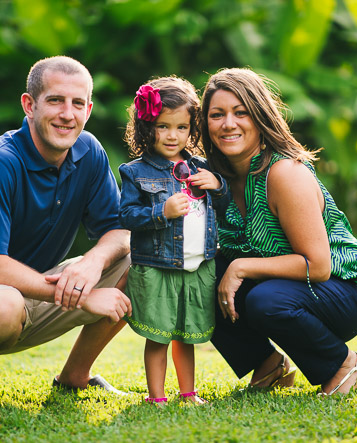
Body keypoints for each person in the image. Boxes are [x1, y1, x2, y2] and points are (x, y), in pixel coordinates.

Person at [0, 56, 133, 406]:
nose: (68, 113)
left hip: (39, 291)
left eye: (77, 103)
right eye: (55, 100)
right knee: (4, 304)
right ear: (29, 104)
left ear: (89, 109)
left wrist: (93, 263)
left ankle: (75, 376)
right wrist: (84, 295)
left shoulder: (90, 152)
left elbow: (120, 232)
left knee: (145, 260)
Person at [200, 68, 357, 396]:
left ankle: (341, 363)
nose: (228, 123)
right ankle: (268, 364)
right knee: (197, 276)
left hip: (342, 291)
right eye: (217, 115)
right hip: (282, 287)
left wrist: (240, 267)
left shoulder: (284, 173)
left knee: (264, 300)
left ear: (260, 117)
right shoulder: (218, 180)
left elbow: (318, 266)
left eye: (240, 112)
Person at [118, 77, 230, 405]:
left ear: (191, 128)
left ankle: (188, 393)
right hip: (157, 267)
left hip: (198, 265)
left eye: (181, 127)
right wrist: (161, 211)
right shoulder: (135, 172)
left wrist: (218, 186)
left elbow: (226, 207)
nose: (172, 135)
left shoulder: (201, 167)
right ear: (146, 127)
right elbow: (126, 216)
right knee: (159, 336)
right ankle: (157, 397)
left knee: (187, 336)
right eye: (162, 126)